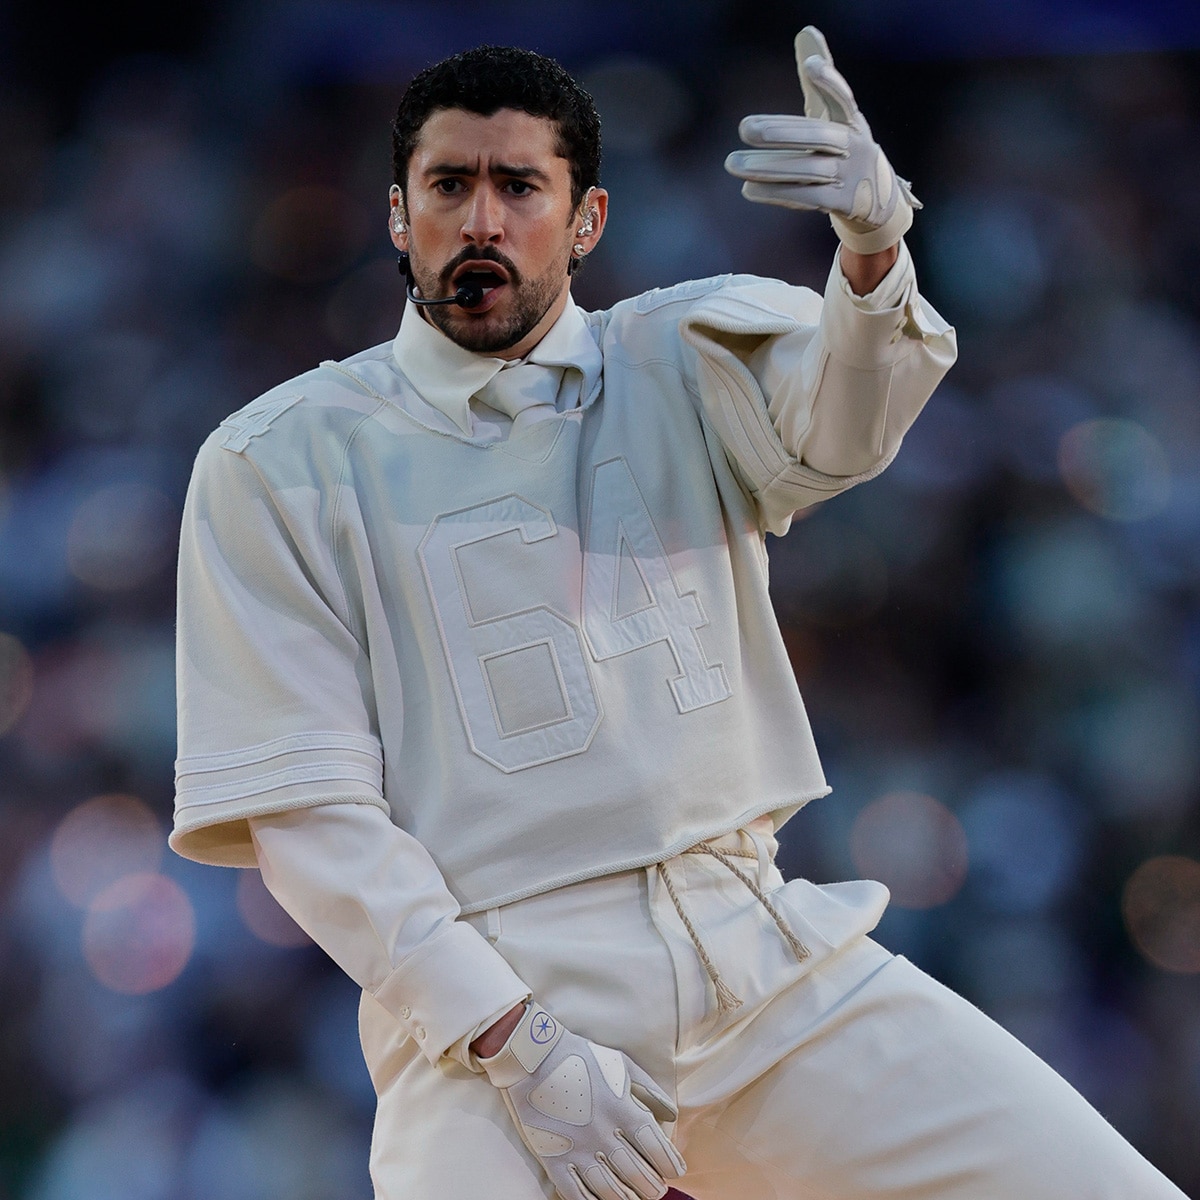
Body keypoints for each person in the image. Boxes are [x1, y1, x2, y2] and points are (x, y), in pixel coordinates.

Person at [170, 28, 1186, 1200]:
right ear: (400, 215)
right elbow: (309, 819)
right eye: (448, 186)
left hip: (762, 954)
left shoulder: (680, 351)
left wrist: (872, 258)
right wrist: (509, 1034)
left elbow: (841, 430)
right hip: (492, 1006)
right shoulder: (273, 459)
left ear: (587, 219)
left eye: (521, 187)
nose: (482, 221)